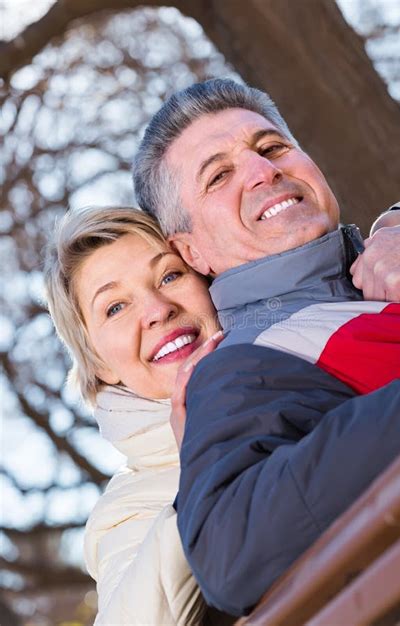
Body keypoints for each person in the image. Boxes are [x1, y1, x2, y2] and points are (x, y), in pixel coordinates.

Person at [133, 78, 400, 616]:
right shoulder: (245, 365)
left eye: (272, 148)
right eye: (219, 175)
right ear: (190, 250)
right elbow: (231, 547)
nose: (263, 170)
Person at [43, 206, 226, 626]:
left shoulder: (291, 342)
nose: (158, 309)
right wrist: (204, 466)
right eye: (115, 307)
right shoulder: (126, 512)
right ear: (98, 362)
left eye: (168, 276)